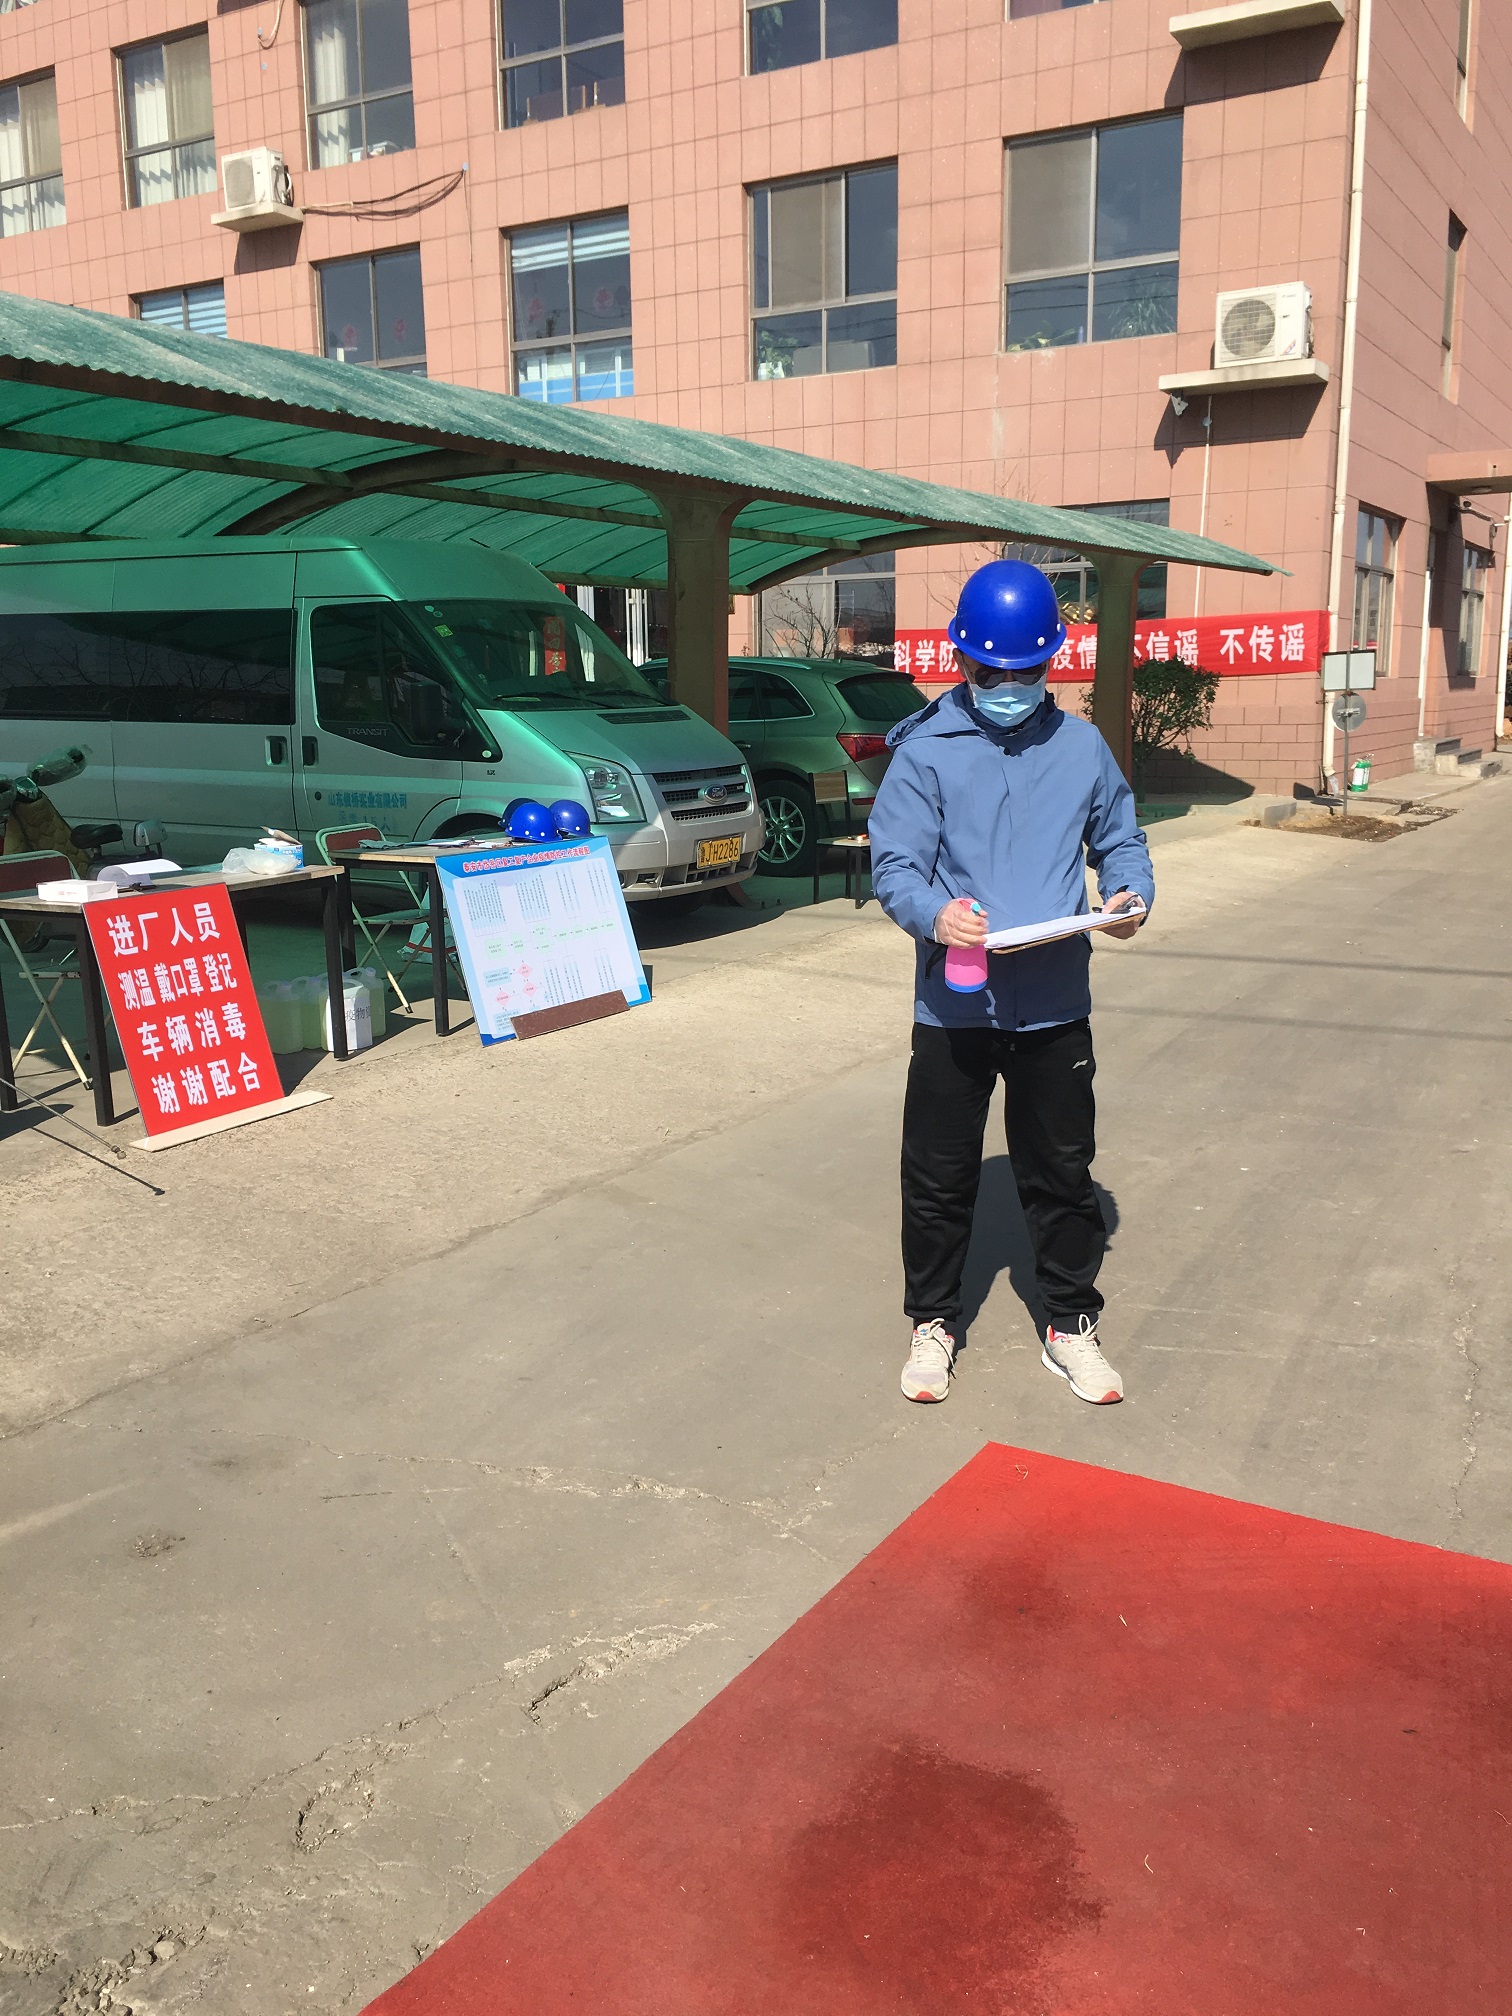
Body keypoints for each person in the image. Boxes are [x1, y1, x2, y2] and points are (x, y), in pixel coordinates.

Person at [868, 558, 1154, 1406]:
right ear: (962, 660)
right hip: (955, 1004)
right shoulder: (926, 751)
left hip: (1055, 1002)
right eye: (991, 673)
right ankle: (933, 1323)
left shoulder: (1081, 747)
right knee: (938, 1174)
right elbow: (895, 865)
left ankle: (1070, 1324)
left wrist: (1128, 894)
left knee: (1063, 1170)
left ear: (1049, 662)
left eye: (1024, 673)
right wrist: (933, 915)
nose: (1007, 688)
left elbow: (1120, 838)